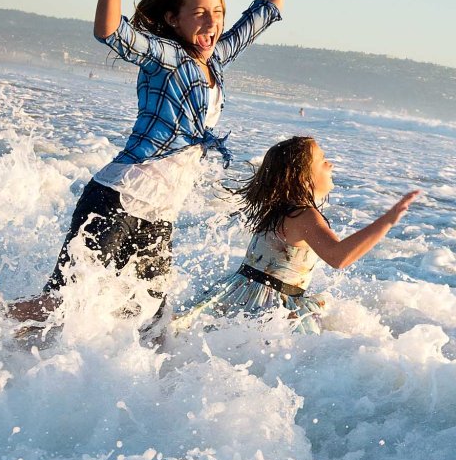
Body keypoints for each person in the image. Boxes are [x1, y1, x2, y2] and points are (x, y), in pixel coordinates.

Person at [0, 0, 303, 372]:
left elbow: (267, 8)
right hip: (118, 198)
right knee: (61, 305)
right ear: (173, 18)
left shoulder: (215, 59)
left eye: (217, 12)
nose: (211, 22)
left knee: (152, 322)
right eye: (199, 13)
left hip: (159, 213)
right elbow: (111, 32)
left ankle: (135, 399)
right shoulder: (166, 58)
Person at [142, 136, 419, 339]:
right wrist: (387, 221)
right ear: (303, 177)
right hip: (267, 306)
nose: (330, 164)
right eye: (323, 161)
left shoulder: (279, 209)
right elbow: (339, 257)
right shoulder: (304, 214)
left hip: (239, 292)